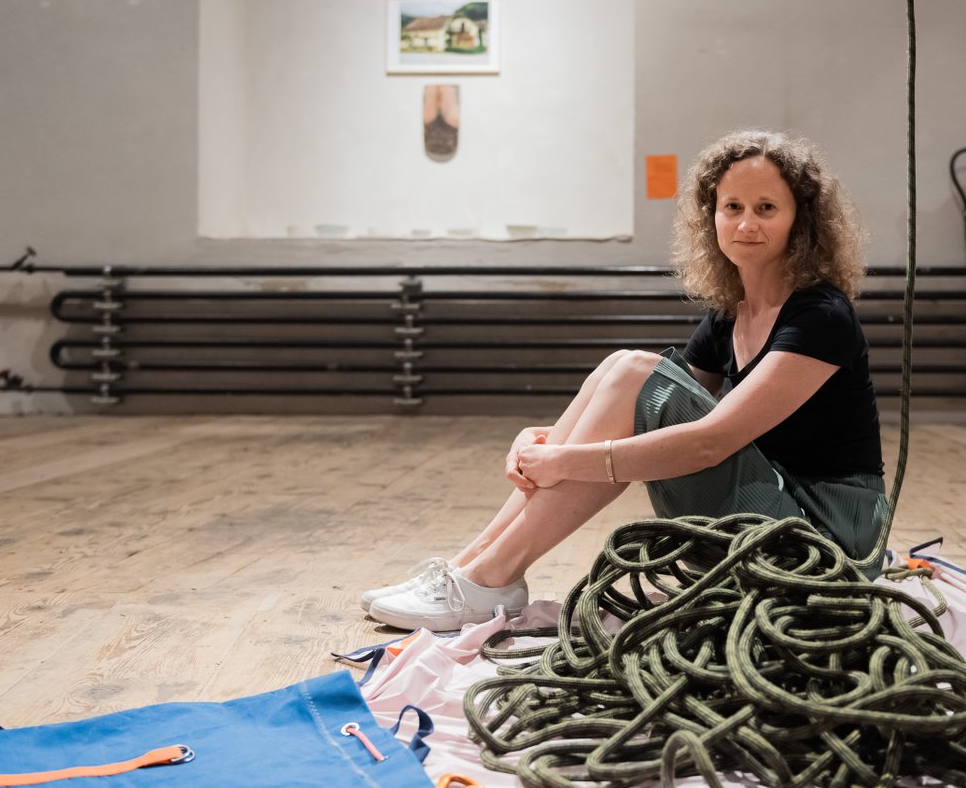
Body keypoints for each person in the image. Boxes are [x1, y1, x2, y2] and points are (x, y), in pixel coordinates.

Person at [363, 130, 886, 632]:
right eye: (733, 207)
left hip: (825, 545)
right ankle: (472, 569)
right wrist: (542, 440)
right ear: (712, 217)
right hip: (774, 509)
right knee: (622, 367)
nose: (747, 223)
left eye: (766, 208)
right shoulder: (732, 314)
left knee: (637, 370)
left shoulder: (821, 316)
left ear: (801, 220)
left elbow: (710, 441)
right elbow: (653, 399)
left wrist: (564, 460)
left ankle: (488, 579)